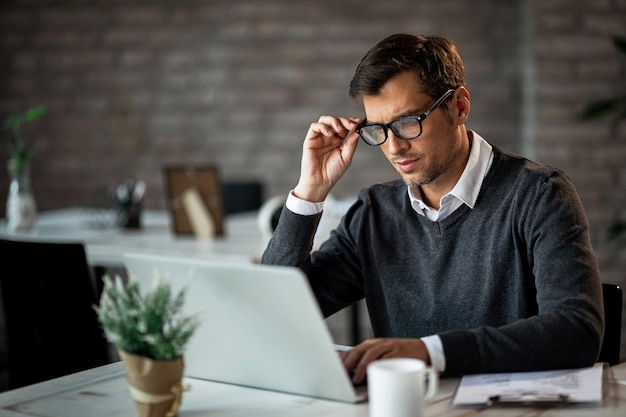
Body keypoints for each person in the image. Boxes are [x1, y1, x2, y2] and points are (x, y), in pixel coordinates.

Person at [261, 33, 604, 383]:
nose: (394, 147)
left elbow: (576, 332)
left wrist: (429, 353)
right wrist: (309, 192)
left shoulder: (540, 195)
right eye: (378, 129)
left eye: (408, 122)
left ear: (459, 106)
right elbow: (275, 310)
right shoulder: (373, 213)